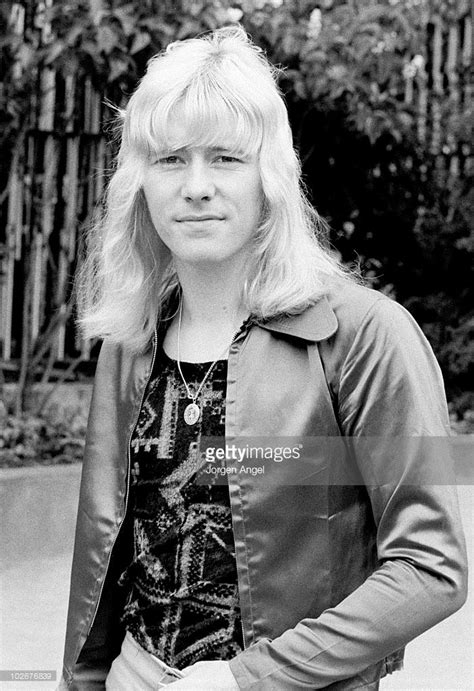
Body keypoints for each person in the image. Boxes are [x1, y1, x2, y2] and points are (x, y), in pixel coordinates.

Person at [58, 26, 467, 690]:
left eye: (225, 157)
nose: (195, 186)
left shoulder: (364, 335)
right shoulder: (127, 345)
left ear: (270, 177)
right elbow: (100, 556)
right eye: (169, 159)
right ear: (139, 184)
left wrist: (247, 678)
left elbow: (431, 567)